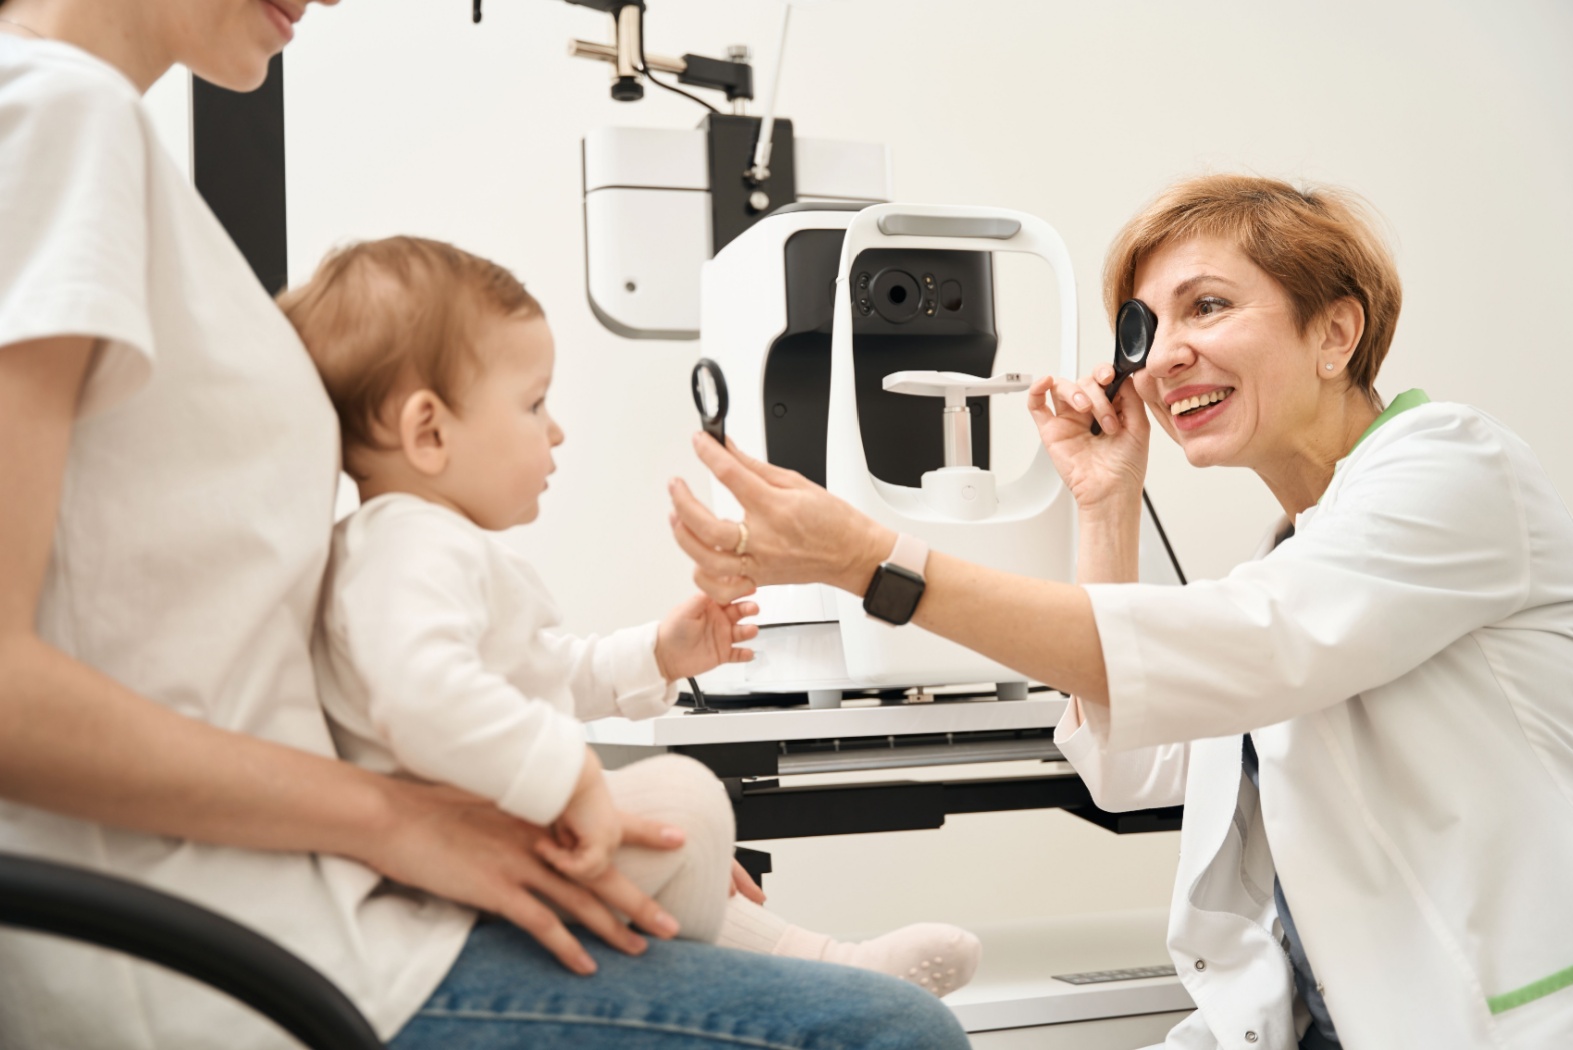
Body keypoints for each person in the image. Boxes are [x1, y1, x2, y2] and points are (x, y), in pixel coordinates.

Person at [0, 1, 970, 1047]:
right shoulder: (56, 115)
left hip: (325, 908)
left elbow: (254, 668)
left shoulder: (113, 154)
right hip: (229, 962)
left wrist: (570, 814)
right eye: (532, 405)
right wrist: (409, 821)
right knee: (890, 1035)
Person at [668, 174, 1573, 1049]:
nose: (1163, 355)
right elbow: (1137, 768)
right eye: (1144, 327)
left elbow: (1248, 643)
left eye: (1209, 305)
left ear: (1336, 333)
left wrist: (872, 563)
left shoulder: (1454, 469)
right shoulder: (1298, 552)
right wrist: (1105, 504)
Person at [279, 234, 982, 997]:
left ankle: (827, 966)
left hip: (485, 852)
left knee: (681, 823)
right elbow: (421, 695)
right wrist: (570, 778)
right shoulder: (407, 548)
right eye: (533, 404)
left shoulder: (425, 549)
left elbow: (539, 676)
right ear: (429, 432)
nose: (555, 431)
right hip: (451, 886)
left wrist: (658, 654)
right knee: (683, 807)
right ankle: (815, 971)